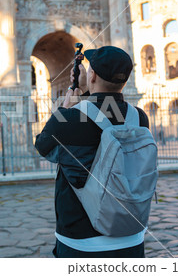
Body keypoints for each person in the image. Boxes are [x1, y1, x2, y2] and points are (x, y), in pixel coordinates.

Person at [34, 46, 150, 258]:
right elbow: (105, 114)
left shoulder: (68, 119)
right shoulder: (140, 118)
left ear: (93, 75)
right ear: (124, 80)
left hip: (80, 240)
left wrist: (67, 107)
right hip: (132, 235)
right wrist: (87, 93)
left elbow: (43, 146)